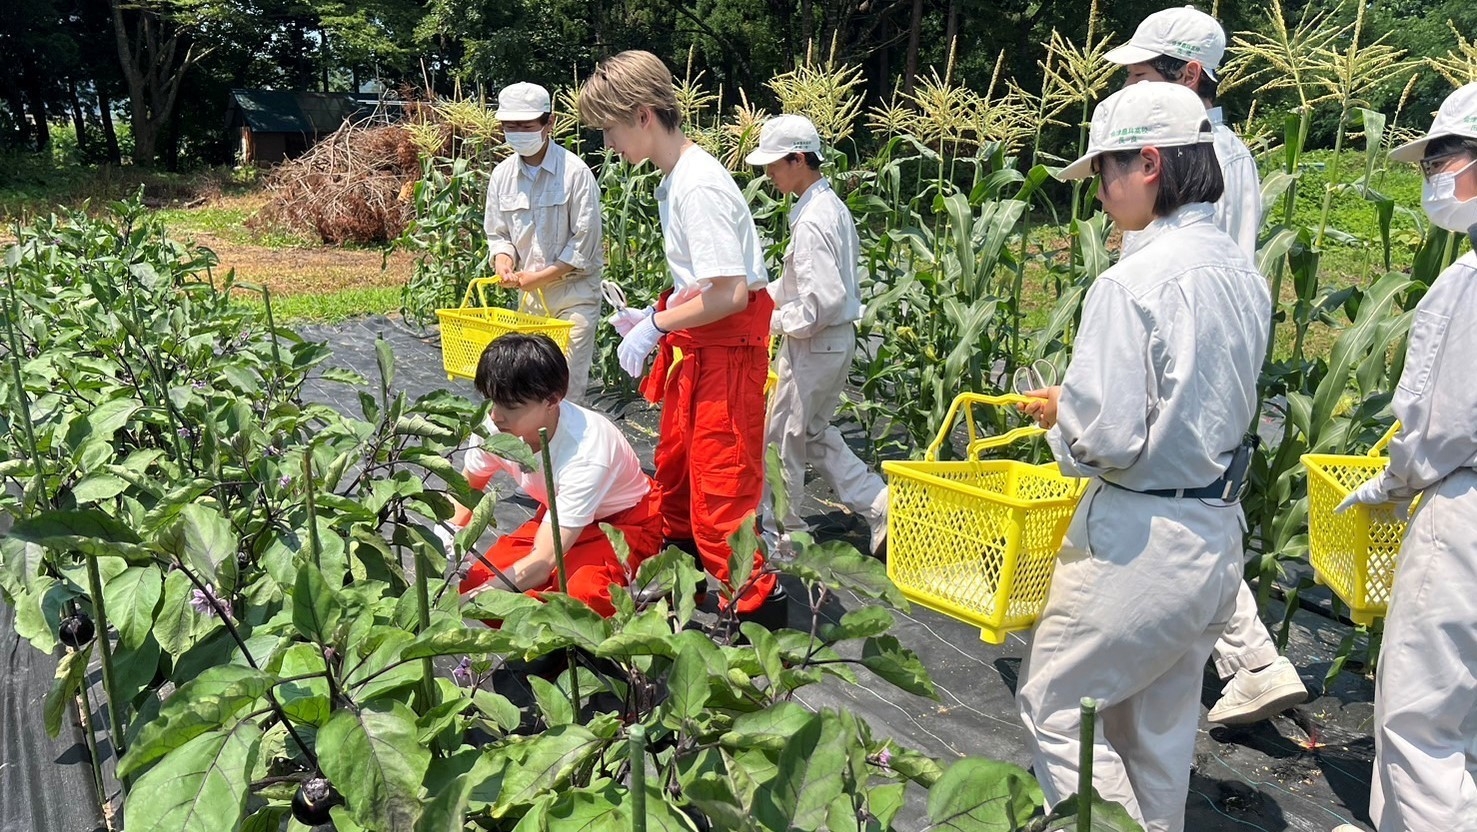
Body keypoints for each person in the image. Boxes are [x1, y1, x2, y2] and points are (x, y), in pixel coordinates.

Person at [1016, 82, 1271, 832]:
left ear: (1149, 162)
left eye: (1103, 171)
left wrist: (1066, 412)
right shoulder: (1238, 270)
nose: (1098, 191)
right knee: (1153, 735)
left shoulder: (1130, 282)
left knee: (1058, 709)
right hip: (1215, 532)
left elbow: (1108, 440)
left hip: (1140, 541)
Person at [1105, 4, 1307, 726]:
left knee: (1176, 508)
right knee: (1200, 510)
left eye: (1136, 76)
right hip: (1195, 352)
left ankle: (1248, 659)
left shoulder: (1202, 158)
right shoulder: (1223, 152)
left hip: (1174, 358)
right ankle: (1251, 660)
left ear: (1188, 74)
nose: (1126, 93)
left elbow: (1177, 276)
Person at [577, 50, 787, 628]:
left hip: (727, 352)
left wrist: (657, 325)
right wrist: (654, 313)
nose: (609, 142)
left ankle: (753, 606)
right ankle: (691, 576)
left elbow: (731, 295)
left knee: (722, 481)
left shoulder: (698, 187)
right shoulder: (679, 180)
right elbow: (703, 285)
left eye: (611, 128)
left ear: (643, 115)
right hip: (702, 349)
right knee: (677, 468)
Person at [1330, 81, 1477, 832]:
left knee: (1422, 727)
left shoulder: (1467, 281)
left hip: (1465, 515)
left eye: (1442, 159)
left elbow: (1443, 423)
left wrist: (1393, 482)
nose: (1433, 177)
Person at [743, 114, 888, 557]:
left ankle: (785, 532)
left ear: (800, 159)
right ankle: (882, 504)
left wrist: (771, 320)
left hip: (815, 342)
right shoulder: (826, 207)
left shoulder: (812, 220)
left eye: (774, 164)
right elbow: (797, 286)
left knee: (783, 438)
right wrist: (755, 300)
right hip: (832, 341)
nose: (768, 174)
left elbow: (821, 301)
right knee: (812, 433)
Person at [446, 333, 662, 617]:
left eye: (510, 406)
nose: (496, 416)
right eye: (492, 401)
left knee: (580, 596)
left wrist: (472, 603)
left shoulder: (587, 450)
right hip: (558, 515)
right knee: (477, 580)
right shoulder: (494, 429)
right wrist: (445, 533)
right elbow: (468, 489)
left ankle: (644, 583)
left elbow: (544, 559)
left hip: (622, 523)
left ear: (552, 400)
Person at [483, 82, 604, 404]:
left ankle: (566, 452)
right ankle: (537, 452)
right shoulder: (502, 175)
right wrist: (503, 261)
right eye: (510, 126)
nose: (517, 132)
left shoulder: (575, 173)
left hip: (573, 296)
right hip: (530, 299)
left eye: (526, 125)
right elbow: (498, 235)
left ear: (548, 123)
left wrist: (538, 277)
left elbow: (584, 243)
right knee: (530, 390)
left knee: (564, 388)